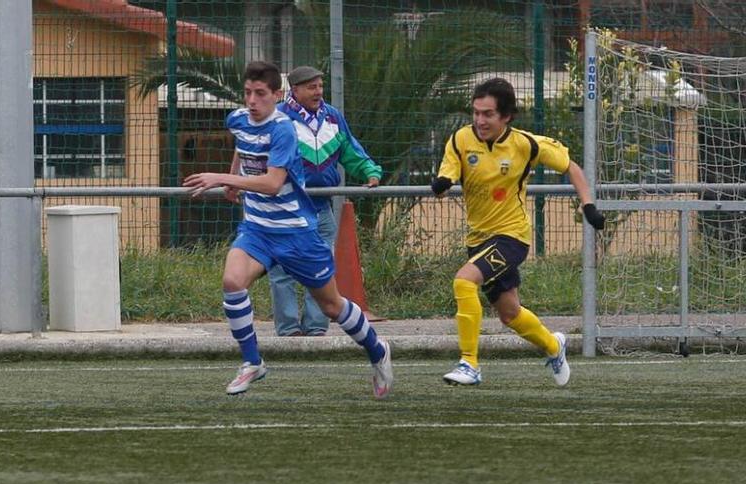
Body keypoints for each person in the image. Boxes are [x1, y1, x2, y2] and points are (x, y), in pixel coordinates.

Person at [183, 61, 393, 398]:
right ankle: (253, 363)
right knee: (232, 282)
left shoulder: (283, 129)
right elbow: (242, 144)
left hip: (296, 231)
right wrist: (233, 176)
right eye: (248, 93)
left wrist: (222, 178)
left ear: (277, 95)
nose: (252, 100)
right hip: (257, 229)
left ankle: (377, 350)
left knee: (331, 306)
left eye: (261, 94)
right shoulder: (236, 119)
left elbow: (272, 182)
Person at [430, 77, 605, 387]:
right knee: (510, 314)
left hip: (512, 237)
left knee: (463, 281)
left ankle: (469, 364)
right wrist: (443, 183)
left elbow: (571, 167)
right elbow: (449, 169)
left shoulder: (525, 144)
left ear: (506, 116)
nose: (479, 121)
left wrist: (588, 204)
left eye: (488, 114)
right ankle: (554, 346)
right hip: (479, 240)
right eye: (476, 113)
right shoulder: (460, 139)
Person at [270, 65, 382, 337]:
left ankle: (316, 326)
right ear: (294, 90)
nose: (318, 92)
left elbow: (349, 150)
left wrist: (370, 171)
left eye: (320, 86)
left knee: (321, 267)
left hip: (321, 208)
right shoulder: (279, 119)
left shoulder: (332, 117)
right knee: (283, 269)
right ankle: (288, 329)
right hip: (287, 208)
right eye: (312, 87)